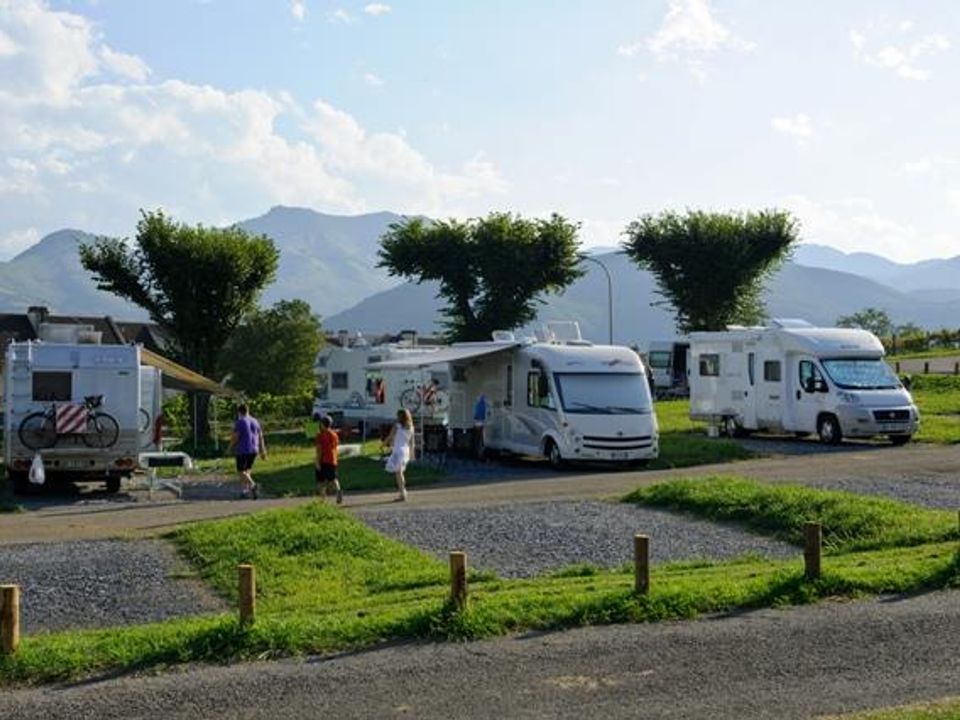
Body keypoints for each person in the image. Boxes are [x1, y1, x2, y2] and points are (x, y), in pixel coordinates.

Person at [231, 402, 267, 499]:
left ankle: (253, 485)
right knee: (247, 470)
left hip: (242, 449)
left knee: (241, 471)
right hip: (254, 449)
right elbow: (260, 436)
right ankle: (245, 491)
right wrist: (262, 450)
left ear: (239, 412)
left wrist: (230, 446)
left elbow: (236, 436)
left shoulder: (240, 422)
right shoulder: (255, 421)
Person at [383, 408, 415, 501]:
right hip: (406, 451)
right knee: (400, 472)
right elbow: (412, 443)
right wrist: (412, 454)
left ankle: (402, 493)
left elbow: (390, 437)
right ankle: (403, 491)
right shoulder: (411, 428)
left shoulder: (397, 426)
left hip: (398, 451)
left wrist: (383, 444)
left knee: (398, 473)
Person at [315, 414, 343, 504]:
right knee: (333, 478)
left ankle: (322, 499)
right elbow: (336, 446)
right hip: (332, 459)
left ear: (323, 424)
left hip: (323, 460)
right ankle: (338, 490)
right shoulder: (334, 434)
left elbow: (319, 449)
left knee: (321, 481)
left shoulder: (320, 435)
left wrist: (317, 461)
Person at [472, 393, 487, 459]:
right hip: (482, 424)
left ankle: (477, 452)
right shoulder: (484, 405)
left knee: (477, 439)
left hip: (476, 424)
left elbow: (475, 415)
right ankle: (480, 453)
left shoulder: (477, 405)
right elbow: (484, 415)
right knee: (481, 438)